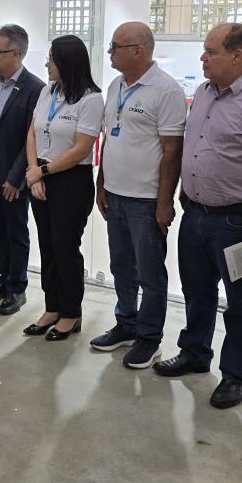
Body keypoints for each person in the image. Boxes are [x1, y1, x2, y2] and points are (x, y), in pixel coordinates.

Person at [153, 23, 242, 410]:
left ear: (237, 55)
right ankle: (195, 352)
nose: (202, 57)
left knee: (241, 303)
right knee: (196, 291)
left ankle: (236, 375)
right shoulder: (205, 92)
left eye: (210, 51)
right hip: (196, 213)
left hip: (240, 220)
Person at [91, 22, 186, 367]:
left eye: (115, 47)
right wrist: (101, 183)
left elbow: (172, 151)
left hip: (145, 201)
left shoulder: (166, 91)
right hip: (115, 194)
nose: (110, 52)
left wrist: (164, 202)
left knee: (150, 273)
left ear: (138, 51)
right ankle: (126, 324)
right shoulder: (116, 85)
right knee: (121, 267)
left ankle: (149, 338)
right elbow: (109, 137)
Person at [22, 35, 103, 340]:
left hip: (70, 180)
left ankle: (71, 313)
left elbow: (81, 149)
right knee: (47, 245)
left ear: (68, 62)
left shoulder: (91, 99)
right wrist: (35, 173)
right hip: (41, 175)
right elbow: (32, 134)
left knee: (65, 248)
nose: (47, 64)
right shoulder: (48, 91)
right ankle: (52, 307)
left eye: (52, 59)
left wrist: (42, 171)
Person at [0, 24, 45, 315]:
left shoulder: (35, 89)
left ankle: (17, 287)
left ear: (16, 53)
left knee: (16, 232)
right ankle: (2, 279)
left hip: (12, 175)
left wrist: (16, 178)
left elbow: (31, 139)